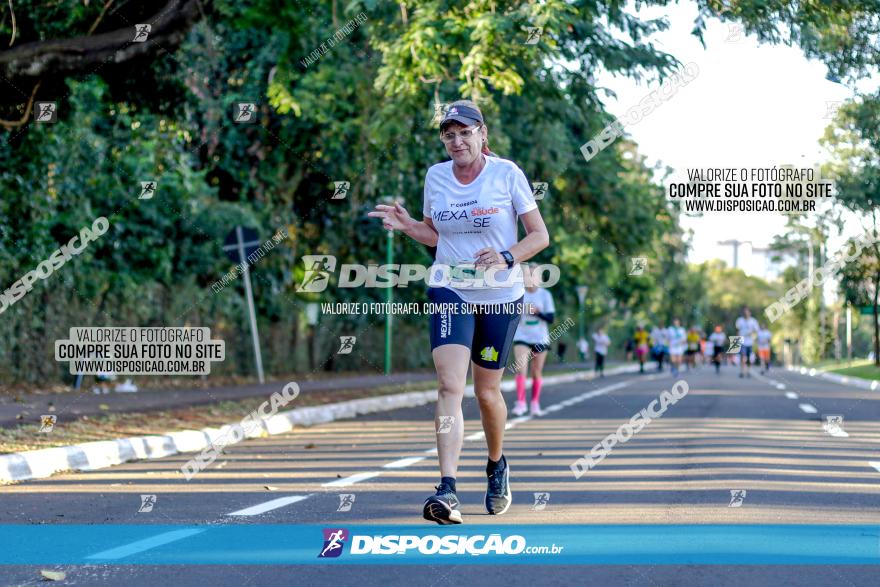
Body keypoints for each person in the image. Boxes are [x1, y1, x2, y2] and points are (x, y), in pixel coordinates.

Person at [369, 99, 549, 525]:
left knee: (486, 393)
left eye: (465, 132)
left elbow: (539, 235)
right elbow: (433, 234)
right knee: (450, 385)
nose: (456, 140)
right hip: (449, 287)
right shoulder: (435, 176)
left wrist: (507, 257)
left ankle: (496, 465)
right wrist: (409, 225)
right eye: (448, 134)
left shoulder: (507, 174)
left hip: (500, 295)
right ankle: (447, 489)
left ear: (482, 134)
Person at [511, 270, 556, 416]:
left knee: (536, 371)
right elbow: (510, 313)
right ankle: (521, 402)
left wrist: (537, 312)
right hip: (521, 336)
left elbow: (551, 318)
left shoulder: (545, 295)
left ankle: (535, 403)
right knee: (520, 369)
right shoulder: (518, 292)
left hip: (540, 338)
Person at [735, 306, 759, 378]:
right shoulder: (739, 320)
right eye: (744, 312)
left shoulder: (753, 321)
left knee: (748, 357)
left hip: (750, 342)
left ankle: (748, 371)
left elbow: (756, 330)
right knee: (742, 356)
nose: (746, 313)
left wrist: (751, 333)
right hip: (742, 341)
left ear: (749, 313)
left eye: (747, 312)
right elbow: (738, 330)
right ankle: (742, 371)